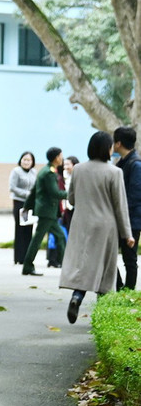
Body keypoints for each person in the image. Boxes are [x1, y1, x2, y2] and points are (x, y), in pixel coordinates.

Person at [59, 131, 134, 324]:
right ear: (107, 149)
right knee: (105, 270)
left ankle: (77, 297)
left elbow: (72, 199)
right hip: (105, 227)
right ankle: (103, 315)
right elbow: (120, 205)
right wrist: (127, 233)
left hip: (81, 224)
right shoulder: (114, 172)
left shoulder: (78, 169)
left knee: (84, 265)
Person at [23, 147, 67, 276]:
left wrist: (27, 206)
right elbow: (54, 192)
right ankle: (27, 266)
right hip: (47, 212)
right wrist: (71, 193)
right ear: (56, 158)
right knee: (38, 239)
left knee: (59, 236)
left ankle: (63, 264)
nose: (62, 158)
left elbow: (33, 191)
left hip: (47, 212)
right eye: (61, 156)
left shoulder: (45, 171)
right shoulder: (48, 173)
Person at [113, 127, 141, 289]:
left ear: (118, 143)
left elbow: (135, 196)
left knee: (129, 259)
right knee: (108, 255)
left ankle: (128, 290)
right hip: (122, 218)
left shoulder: (135, 164)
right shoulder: (123, 162)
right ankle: (120, 286)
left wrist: (121, 215)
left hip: (131, 220)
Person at [8, 152, 37, 265]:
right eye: (24, 159)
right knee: (20, 230)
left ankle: (27, 257)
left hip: (30, 204)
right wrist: (27, 194)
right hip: (19, 203)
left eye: (29, 160)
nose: (26, 162)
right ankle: (19, 258)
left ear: (32, 162)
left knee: (29, 229)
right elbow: (12, 187)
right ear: (20, 160)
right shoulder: (16, 171)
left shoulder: (34, 172)